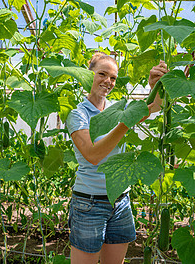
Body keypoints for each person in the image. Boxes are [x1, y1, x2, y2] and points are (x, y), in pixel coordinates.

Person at [66, 52, 167, 264]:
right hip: (89, 203)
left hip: (120, 202)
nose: (108, 81)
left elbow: (154, 107)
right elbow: (93, 155)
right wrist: (126, 123)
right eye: (102, 74)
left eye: (113, 78)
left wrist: (154, 85)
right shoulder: (78, 114)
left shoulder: (117, 108)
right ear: (88, 74)